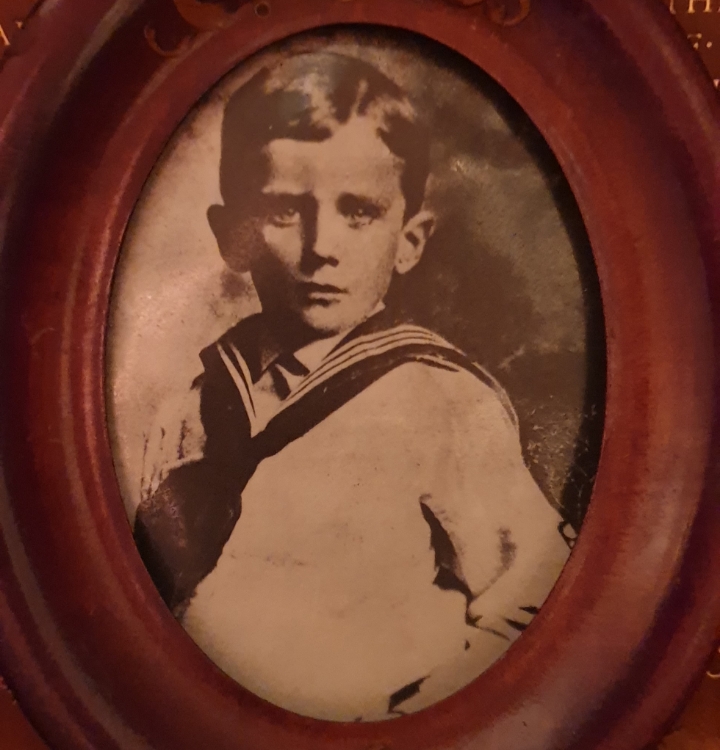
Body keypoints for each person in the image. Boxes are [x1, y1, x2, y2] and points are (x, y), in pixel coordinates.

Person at [133, 52, 571, 721]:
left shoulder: (443, 400)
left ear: (410, 240)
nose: (322, 247)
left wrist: (421, 721)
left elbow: (531, 598)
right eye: (285, 210)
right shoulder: (190, 405)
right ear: (232, 236)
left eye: (359, 212)